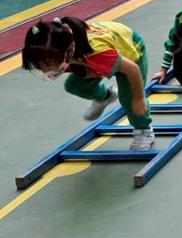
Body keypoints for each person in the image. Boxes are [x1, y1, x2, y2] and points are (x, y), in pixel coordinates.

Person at [22, 17, 154, 150]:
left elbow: (133, 70)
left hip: (130, 52)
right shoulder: (64, 49)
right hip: (95, 57)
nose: (44, 70)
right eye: (39, 65)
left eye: (48, 64)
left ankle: (144, 130)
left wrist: (138, 98)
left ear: (67, 52)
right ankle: (105, 95)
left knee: (129, 99)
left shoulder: (97, 53)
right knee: (74, 85)